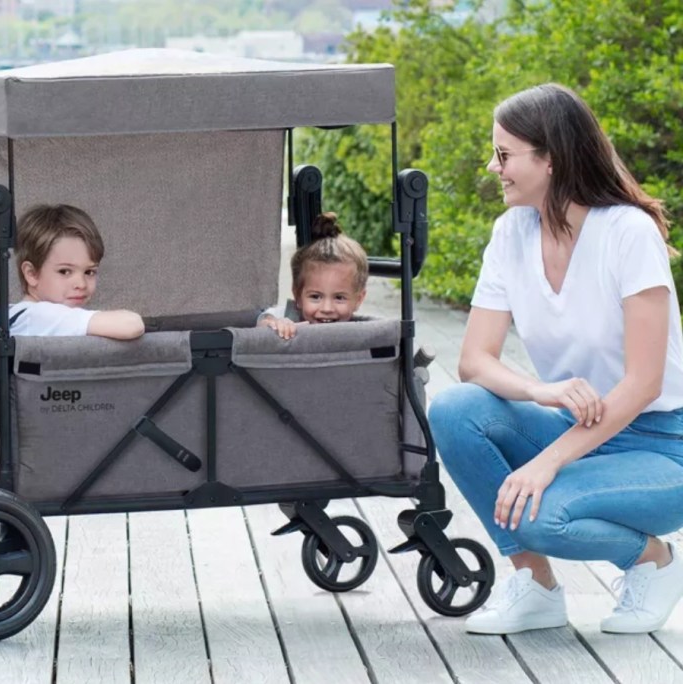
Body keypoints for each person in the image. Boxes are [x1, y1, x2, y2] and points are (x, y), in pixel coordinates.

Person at [428, 83, 683, 636]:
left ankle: (653, 562)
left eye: (504, 155)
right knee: (456, 408)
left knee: (537, 511)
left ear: (551, 158)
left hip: (663, 446)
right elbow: (475, 360)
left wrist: (547, 462)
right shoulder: (510, 233)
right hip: (577, 425)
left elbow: (643, 384)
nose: (493, 168)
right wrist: (542, 390)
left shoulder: (627, 233)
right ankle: (535, 587)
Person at [0, 203, 144, 339]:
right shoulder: (37, 316)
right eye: (65, 271)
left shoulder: (8, 315)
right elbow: (132, 324)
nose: (81, 284)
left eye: (89, 272)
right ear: (31, 274)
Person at [258, 212, 369, 339]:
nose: (327, 309)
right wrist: (276, 325)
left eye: (339, 297)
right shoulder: (288, 315)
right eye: (315, 296)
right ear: (298, 295)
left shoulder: (359, 331)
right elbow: (264, 322)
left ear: (359, 299)